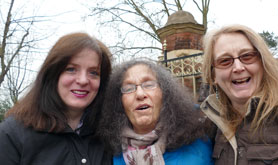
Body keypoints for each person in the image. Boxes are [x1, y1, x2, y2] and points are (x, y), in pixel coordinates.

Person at [0, 32, 112, 164]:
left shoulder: (110, 135)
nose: (83, 80)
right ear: (53, 74)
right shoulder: (12, 134)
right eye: (71, 69)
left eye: (93, 72)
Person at [200, 24, 278, 165]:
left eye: (247, 56)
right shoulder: (213, 126)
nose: (238, 68)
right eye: (225, 61)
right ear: (213, 75)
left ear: (262, 62)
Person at [98, 59, 213, 165]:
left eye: (148, 85)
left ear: (165, 93)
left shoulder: (199, 143)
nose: (140, 94)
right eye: (128, 88)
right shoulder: (107, 154)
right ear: (119, 101)